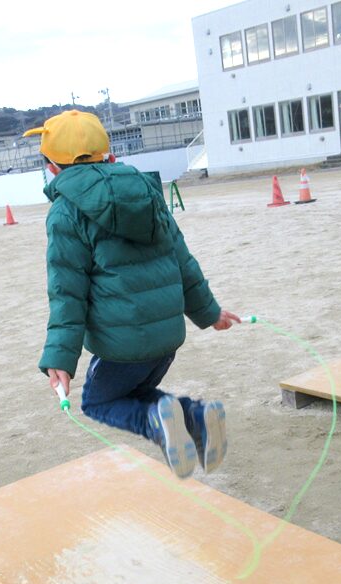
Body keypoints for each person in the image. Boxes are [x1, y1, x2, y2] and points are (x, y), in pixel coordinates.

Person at [25, 110, 241, 478]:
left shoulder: (65, 213)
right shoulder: (148, 192)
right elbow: (182, 259)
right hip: (167, 337)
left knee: (99, 401)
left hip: (121, 343)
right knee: (137, 394)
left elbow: (67, 292)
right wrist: (209, 313)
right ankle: (197, 417)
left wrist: (60, 356)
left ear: (52, 168)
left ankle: (163, 422)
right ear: (109, 155)